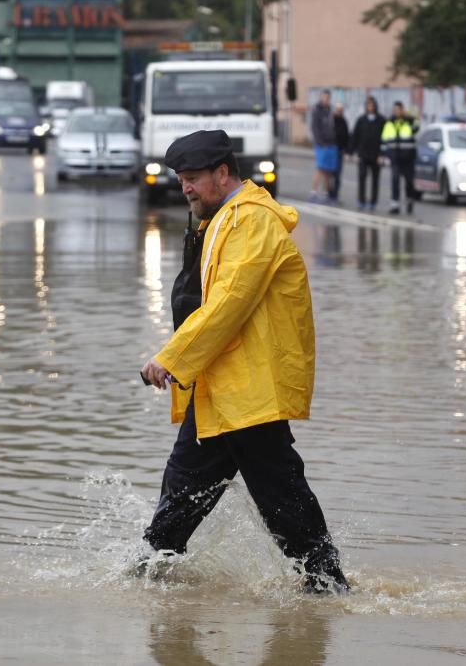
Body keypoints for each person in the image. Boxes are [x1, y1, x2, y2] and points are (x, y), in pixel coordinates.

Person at [138, 129, 349, 595]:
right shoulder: (219, 218)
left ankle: (329, 592)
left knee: (281, 497)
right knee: (184, 488)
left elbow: (229, 302)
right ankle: (148, 577)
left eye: (193, 178)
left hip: (248, 391)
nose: (185, 188)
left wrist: (172, 357)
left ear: (222, 173)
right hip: (220, 387)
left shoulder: (252, 223)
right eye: (181, 179)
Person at [381, 101, 418, 214]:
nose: (396, 111)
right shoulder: (389, 123)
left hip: (408, 157)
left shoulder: (409, 121)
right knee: (395, 180)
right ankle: (395, 205)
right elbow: (384, 139)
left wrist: (411, 117)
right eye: (395, 109)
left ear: (402, 110)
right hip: (395, 157)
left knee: (409, 182)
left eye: (398, 109)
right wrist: (383, 154)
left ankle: (409, 200)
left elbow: (417, 128)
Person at [350, 96, 386, 211]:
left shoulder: (381, 120)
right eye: (368, 105)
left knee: (375, 179)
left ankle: (373, 202)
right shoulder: (361, 120)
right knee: (362, 176)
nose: (370, 107)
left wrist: (382, 154)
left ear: (375, 106)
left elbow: (385, 138)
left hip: (376, 155)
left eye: (372, 105)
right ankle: (361, 200)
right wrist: (352, 152)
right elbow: (355, 136)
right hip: (363, 154)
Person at [309, 90, 337, 202]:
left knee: (328, 171)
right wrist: (321, 143)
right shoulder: (317, 110)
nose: (326, 100)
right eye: (324, 97)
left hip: (331, 144)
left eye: (328, 98)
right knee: (320, 168)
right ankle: (313, 192)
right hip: (322, 145)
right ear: (321, 98)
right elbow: (315, 128)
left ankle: (326, 194)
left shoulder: (330, 110)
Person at [329, 103, 350, 203]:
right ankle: (329, 194)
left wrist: (346, 150)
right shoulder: (331, 121)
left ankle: (335, 195)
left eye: (341, 110)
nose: (339, 112)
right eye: (338, 110)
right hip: (331, 150)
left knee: (337, 175)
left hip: (340, 151)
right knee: (329, 174)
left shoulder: (344, 121)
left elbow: (346, 136)